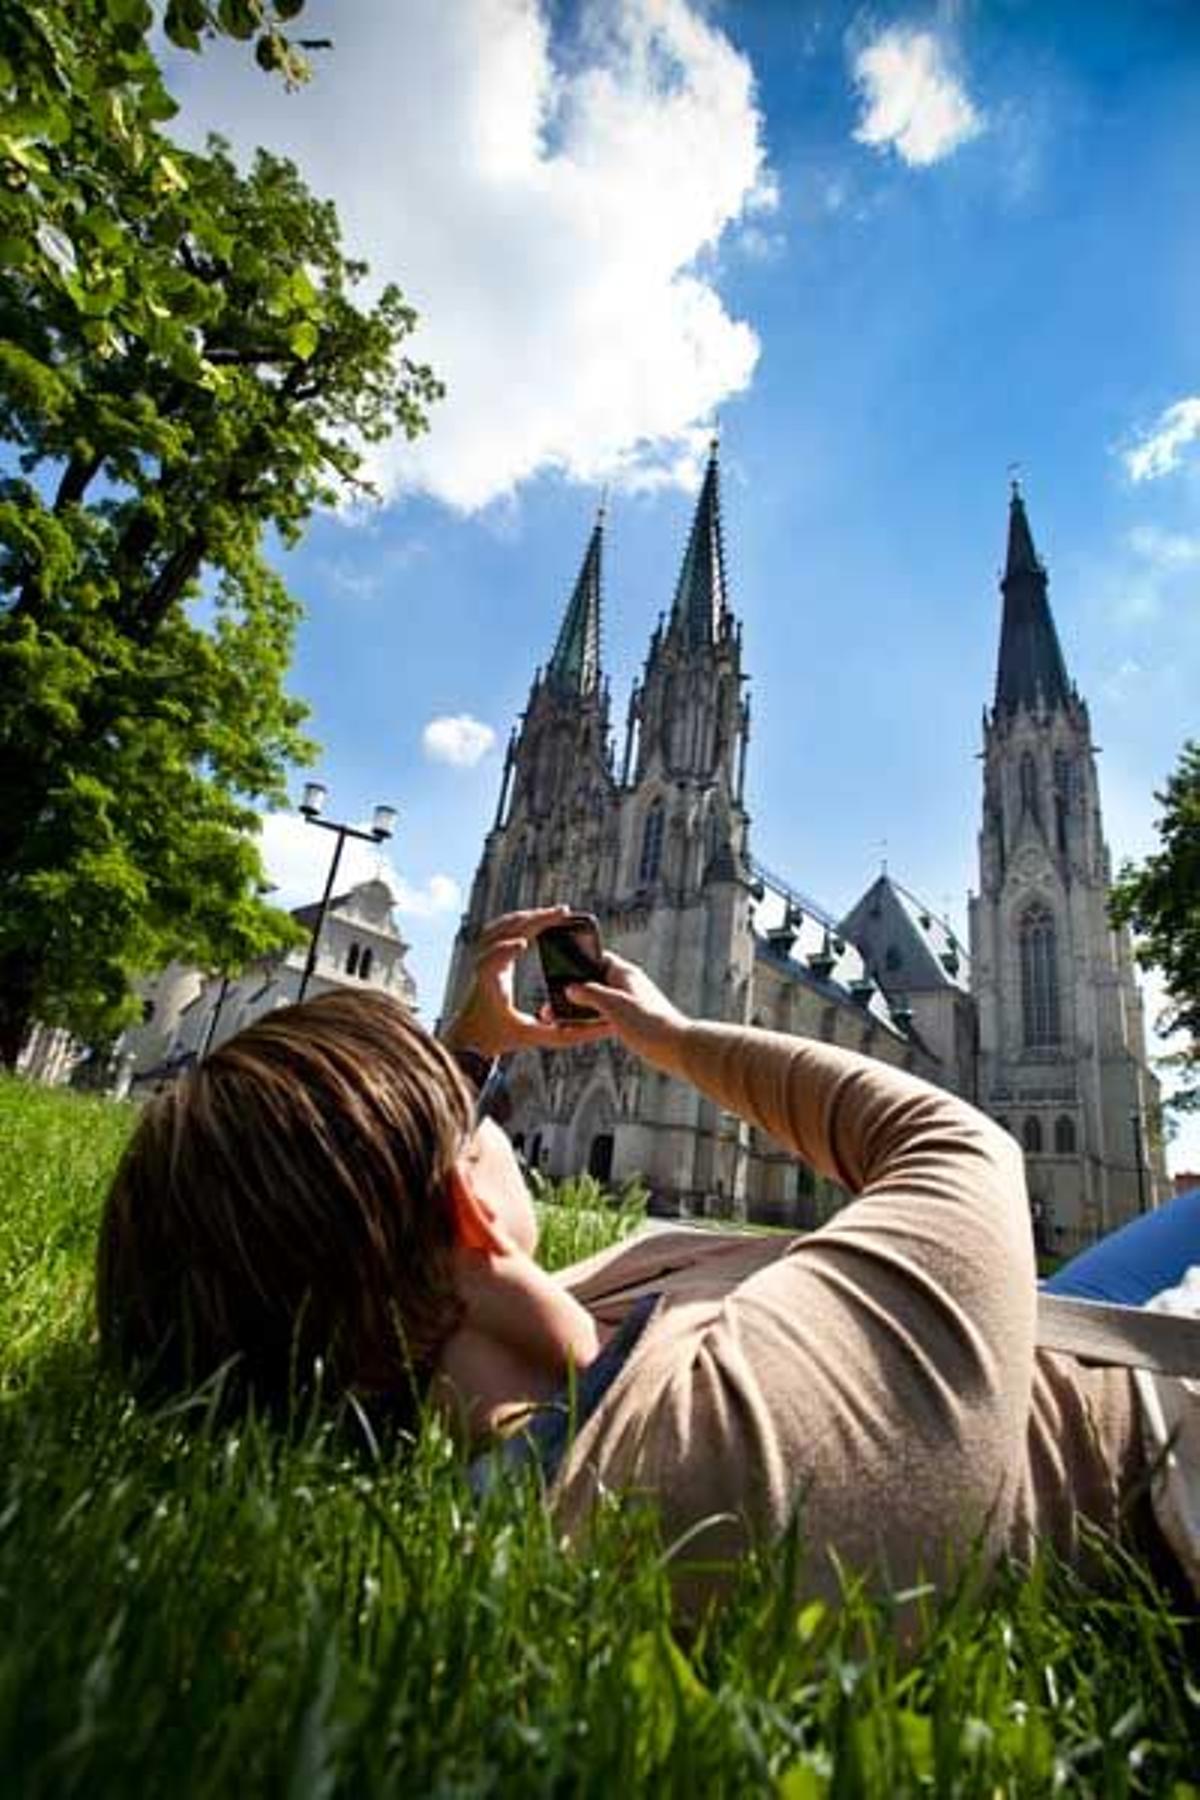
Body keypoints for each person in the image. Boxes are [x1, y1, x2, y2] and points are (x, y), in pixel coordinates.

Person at [96, 906, 1195, 1616]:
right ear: (472, 1208)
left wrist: (467, 1051)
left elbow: (369, 1228)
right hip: (1142, 1426)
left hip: (1031, 1326)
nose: (489, 1091)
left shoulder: (490, 1352)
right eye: (478, 1101)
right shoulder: (737, 1438)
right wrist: (670, 1037)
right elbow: (958, 1143)